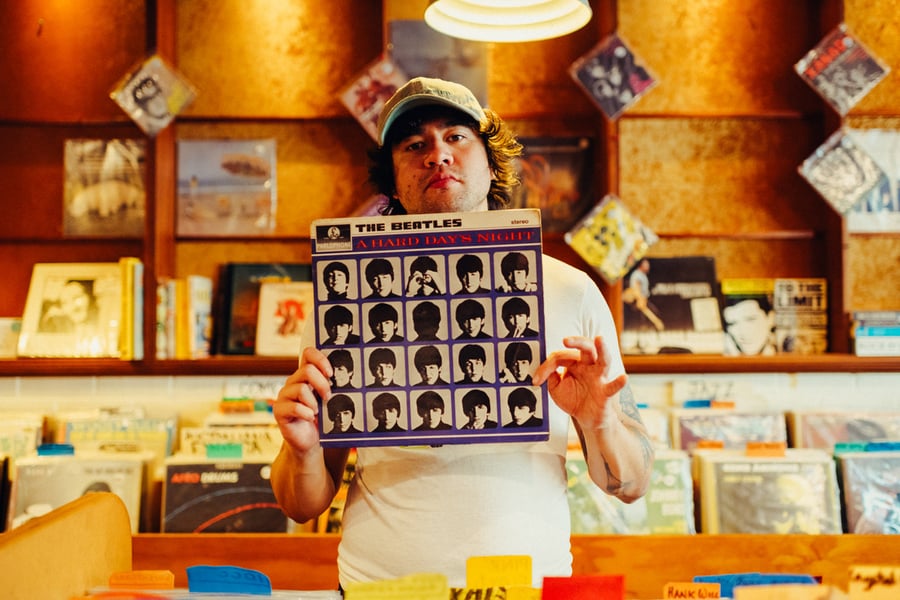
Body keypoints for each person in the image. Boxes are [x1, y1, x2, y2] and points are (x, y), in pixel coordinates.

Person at [271, 76, 653, 589]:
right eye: (414, 145)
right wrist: (302, 449)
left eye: (456, 136)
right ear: (392, 180)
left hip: (525, 587)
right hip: (379, 589)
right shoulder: (346, 296)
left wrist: (599, 419)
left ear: (491, 162)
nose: (437, 155)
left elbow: (631, 484)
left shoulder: (571, 290)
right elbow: (303, 505)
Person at [622, 258, 664, 331]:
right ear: (641, 265)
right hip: (638, 300)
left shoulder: (642, 275)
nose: (648, 267)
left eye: (648, 265)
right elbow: (636, 288)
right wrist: (640, 299)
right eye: (646, 265)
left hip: (642, 299)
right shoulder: (637, 275)